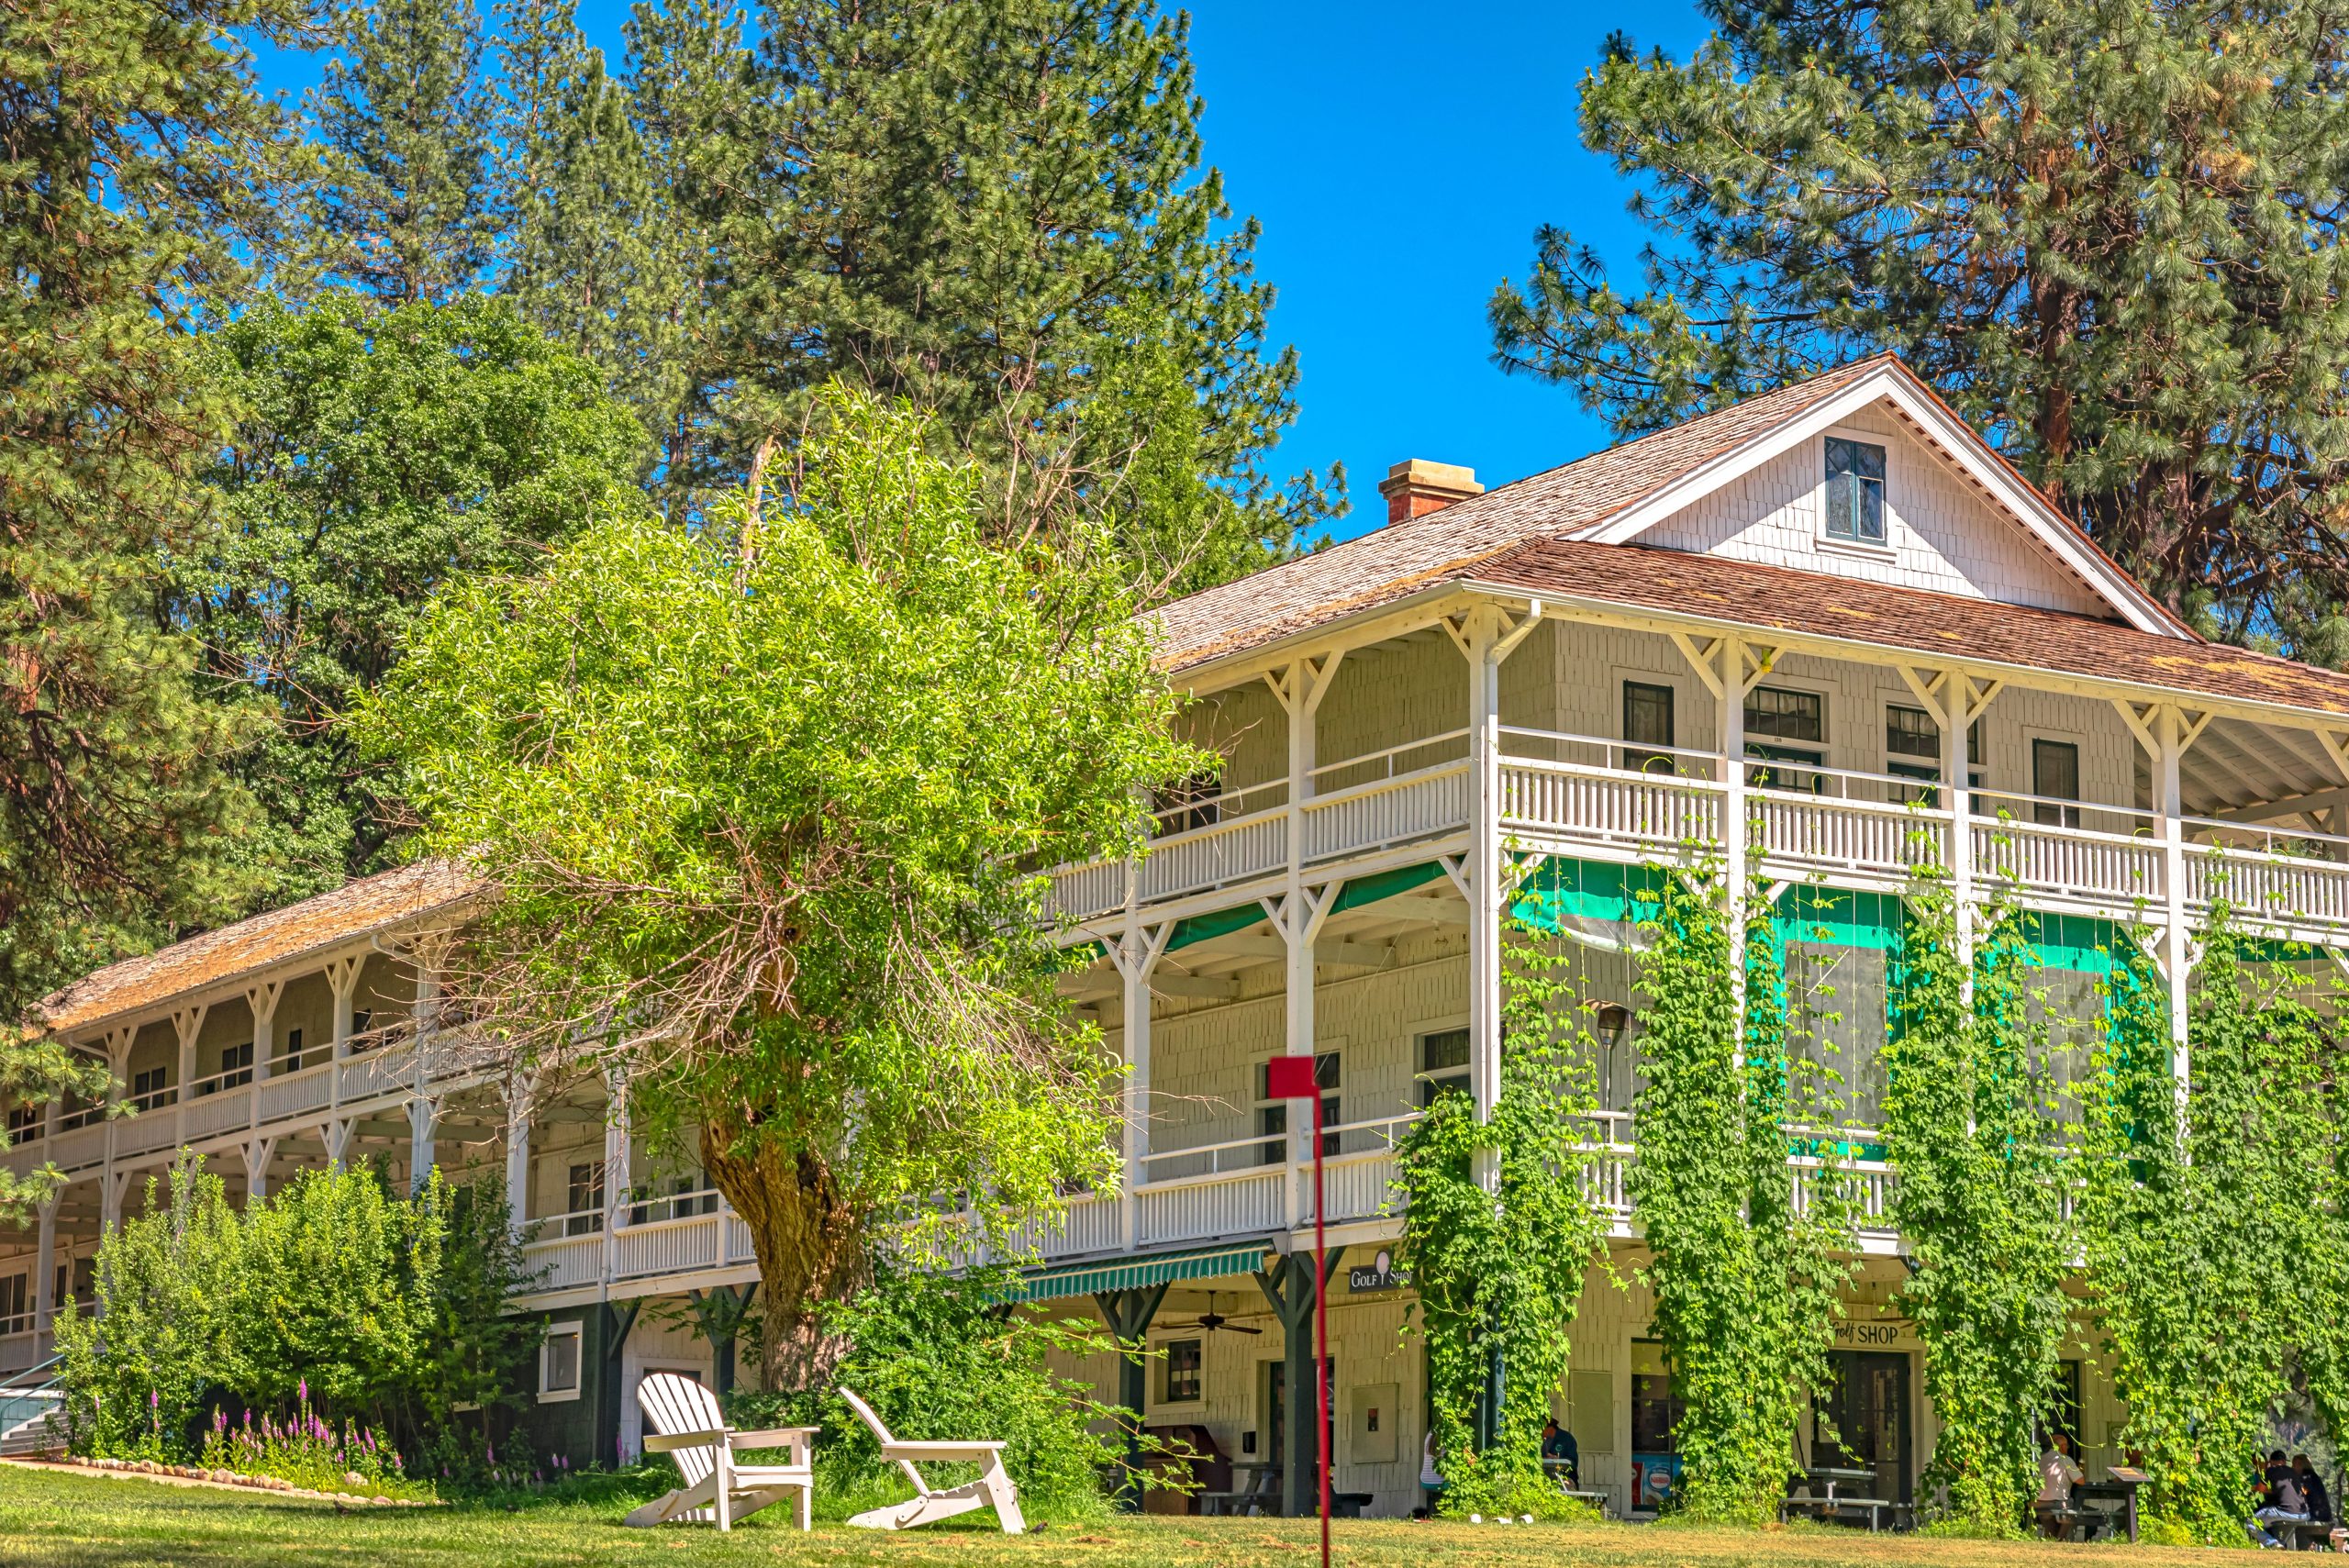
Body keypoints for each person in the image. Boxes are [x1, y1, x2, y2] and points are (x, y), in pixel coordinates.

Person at [2248, 1449, 2310, 1548]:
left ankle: (2272, 1543)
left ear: (2271, 1462)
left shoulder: (2270, 1471)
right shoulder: (2293, 1472)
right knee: (2270, 1520)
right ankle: (2279, 1543)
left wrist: (2252, 1487)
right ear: (2284, 1461)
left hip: (2287, 1512)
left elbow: (2260, 1489)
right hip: (2304, 1514)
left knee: (2251, 1522)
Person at [2036, 1430, 2085, 1538]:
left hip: (2038, 1503)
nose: (2067, 1448)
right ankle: (2062, 1538)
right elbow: (2081, 1481)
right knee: (2074, 1506)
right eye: (2067, 1446)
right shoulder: (2065, 1460)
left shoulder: (2039, 1459)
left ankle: (2055, 1537)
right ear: (2062, 1446)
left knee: (2048, 1516)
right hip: (2057, 1503)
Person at [2294, 1454, 2332, 1526]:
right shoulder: (2312, 1476)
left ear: (2303, 1465)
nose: (2293, 1467)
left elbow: (2301, 1494)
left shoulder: (2306, 1477)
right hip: (2324, 1515)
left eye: (2296, 1464)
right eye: (2293, 1464)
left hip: (2315, 1516)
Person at [1542, 1418, 1580, 1486]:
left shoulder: (1566, 1438)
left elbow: (1574, 1462)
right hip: (1543, 1478)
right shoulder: (1539, 1440)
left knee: (1566, 1485)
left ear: (1550, 1428)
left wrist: (1558, 1459)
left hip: (1566, 1477)